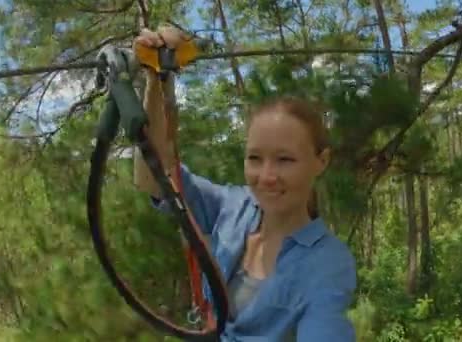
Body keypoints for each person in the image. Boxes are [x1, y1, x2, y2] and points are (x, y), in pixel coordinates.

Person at [132, 26, 357, 341]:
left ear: (321, 161)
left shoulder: (327, 264)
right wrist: (156, 80)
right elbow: (154, 178)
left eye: (285, 160)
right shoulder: (233, 206)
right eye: (255, 158)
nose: (266, 176)